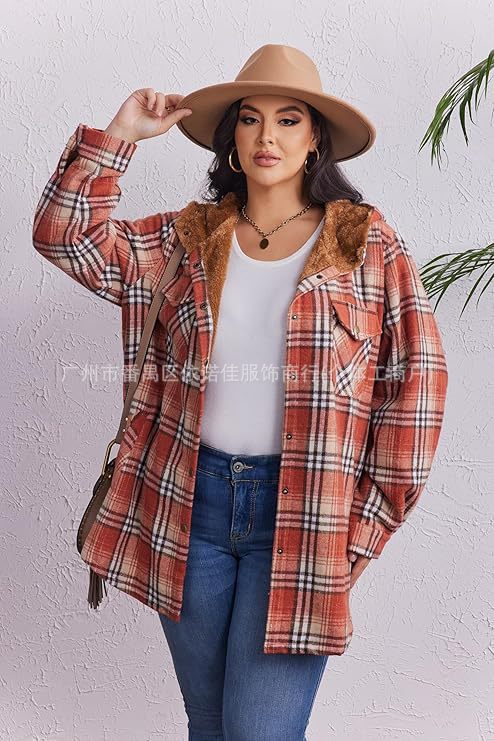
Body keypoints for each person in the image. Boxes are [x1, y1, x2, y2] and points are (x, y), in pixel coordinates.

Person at [33, 45, 448, 740]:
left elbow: (418, 386)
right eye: (251, 119)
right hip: (190, 505)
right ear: (231, 137)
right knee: (210, 724)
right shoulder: (189, 241)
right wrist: (121, 136)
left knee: (260, 732)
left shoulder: (365, 245)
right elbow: (63, 237)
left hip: (304, 516)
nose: (267, 137)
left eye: (289, 120)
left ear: (315, 139)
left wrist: (361, 530)